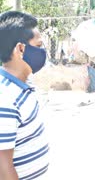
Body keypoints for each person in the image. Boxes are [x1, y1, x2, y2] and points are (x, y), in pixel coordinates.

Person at [0, 11, 49, 179]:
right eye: (39, 45)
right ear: (20, 49)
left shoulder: (24, 83)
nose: (43, 51)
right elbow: (3, 167)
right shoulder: (5, 98)